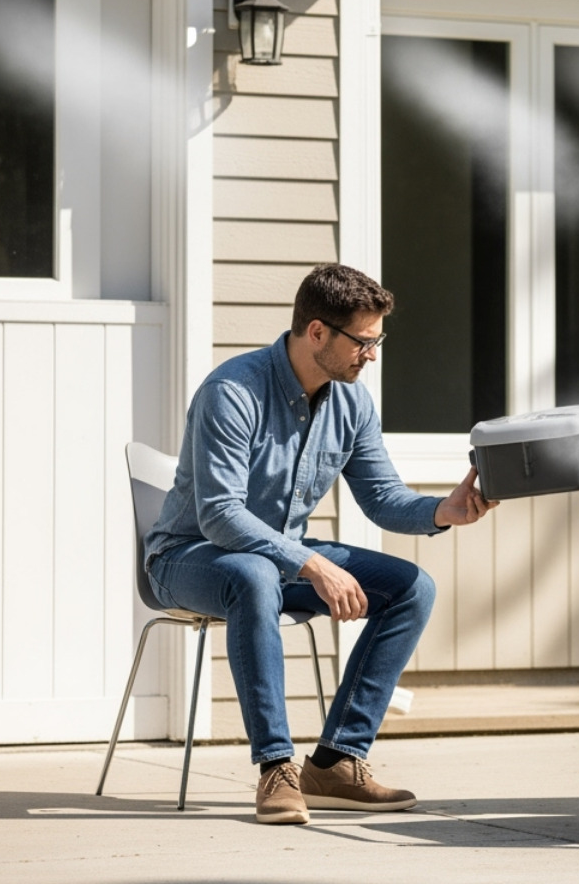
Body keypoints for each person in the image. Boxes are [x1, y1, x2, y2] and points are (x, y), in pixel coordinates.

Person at [145, 263, 496, 824]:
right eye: (363, 341)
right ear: (317, 333)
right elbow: (219, 515)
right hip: (187, 558)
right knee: (255, 574)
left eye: (378, 340)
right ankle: (275, 769)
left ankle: (335, 762)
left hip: (278, 557)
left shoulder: (351, 404)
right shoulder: (232, 391)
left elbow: (381, 497)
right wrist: (309, 563)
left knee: (412, 588)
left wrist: (442, 511)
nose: (372, 355)